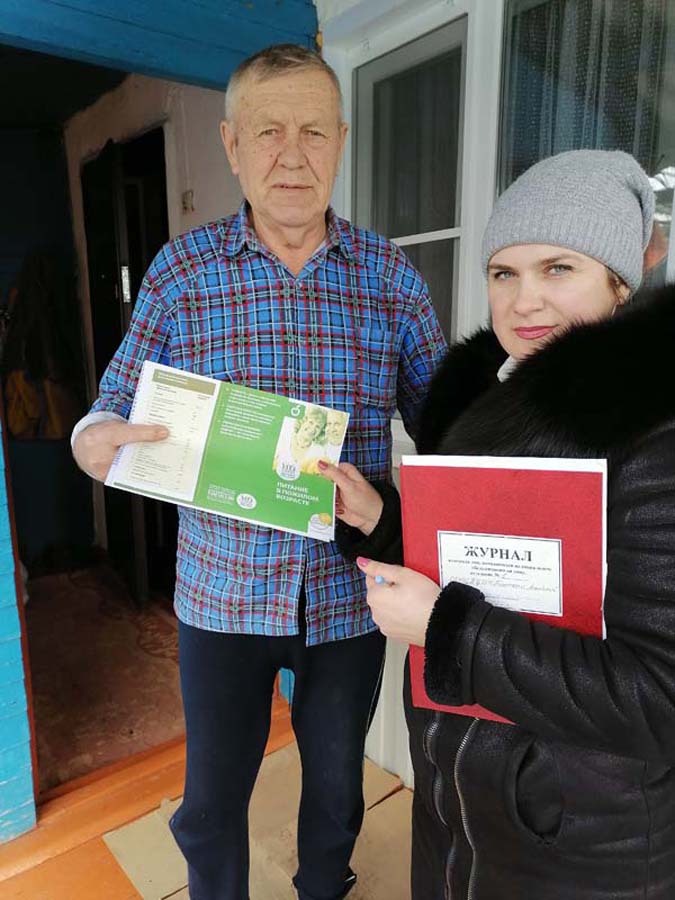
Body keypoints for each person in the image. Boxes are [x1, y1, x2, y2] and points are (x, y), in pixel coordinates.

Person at [71, 43, 447, 900]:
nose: (291, 154)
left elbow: (446, 430)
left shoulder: (390, 278)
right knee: (211, 802)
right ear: (232, 145)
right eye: (268, 131)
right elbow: (112, 402)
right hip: (221, 593)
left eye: (313, 131)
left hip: (349, 596)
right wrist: (92, 438)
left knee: (337, 792)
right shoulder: (182, 272)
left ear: (340, 141)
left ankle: (323, 888)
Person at [320, 149, 675, 899]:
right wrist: (382, 521)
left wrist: (444, 630)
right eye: (503, 273)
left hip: (578, 842)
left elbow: (658, 697)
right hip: (456, 805)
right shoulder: (489, 399)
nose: (523, 301)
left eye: (558, 269)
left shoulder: (654, 433)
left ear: (619, 280)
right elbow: (485, 568)